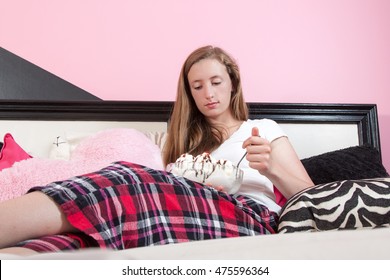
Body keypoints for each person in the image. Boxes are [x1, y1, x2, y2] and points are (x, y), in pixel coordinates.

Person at [0, 45, 313, 256]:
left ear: (233, 83)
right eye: (198, 86)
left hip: (250, 218)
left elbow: (313, 198)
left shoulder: (263, 129)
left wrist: (271, 169)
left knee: (125, 177)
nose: (209, 93)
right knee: (88, 234)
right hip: (186, 214)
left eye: (216, 82)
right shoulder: (185, 145)